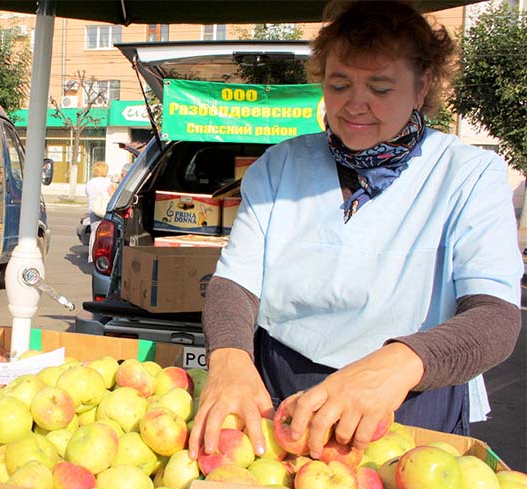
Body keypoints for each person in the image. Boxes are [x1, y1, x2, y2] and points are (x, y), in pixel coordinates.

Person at [189, 0, 522, 462]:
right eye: (339, 83)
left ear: (422, 85)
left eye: (381, 87)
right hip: (283, 390)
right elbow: (235, 283)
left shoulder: (468, 174)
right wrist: (228, 356)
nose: (354, 104)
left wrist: (397, 364)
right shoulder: (282, 165)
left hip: (409, 398)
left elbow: (495, 318)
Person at [85, 161, 115, 262]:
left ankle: (92, 257)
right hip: (104, 210)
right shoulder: (106, 182)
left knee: (94, 233)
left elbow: (89, 195)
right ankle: (103, 256)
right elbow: (113, 196)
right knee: (106, 234)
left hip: (93, 211)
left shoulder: (90, 183)